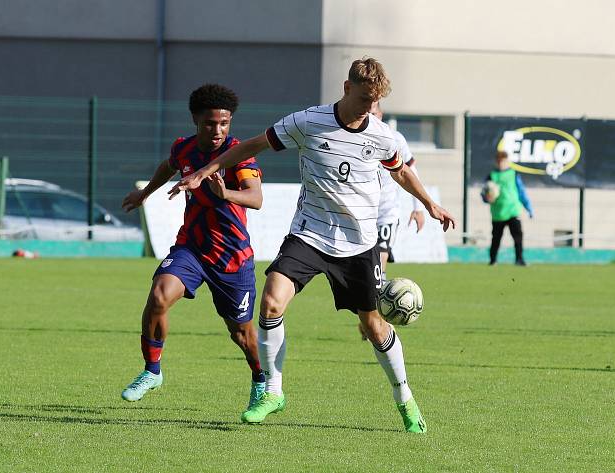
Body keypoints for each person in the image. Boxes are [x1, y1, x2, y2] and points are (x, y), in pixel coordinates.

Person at [169, 58, 456, 433]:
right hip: (310, 234)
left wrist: (430, 203)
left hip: (359, 243)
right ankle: (273, 391)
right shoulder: (307, 121)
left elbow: (400, 170)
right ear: (346, 87)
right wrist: (206, 171)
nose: (369, 108)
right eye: (364, 98)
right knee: (271, 300)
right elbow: (255, 144)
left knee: (373, 325)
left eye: (375, 102)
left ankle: (405, 398)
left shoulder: (383, 136)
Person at [119, 84, 266, 410]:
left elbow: (255, 198)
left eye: (224, 123)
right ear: (195, 120)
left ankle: (260, 380)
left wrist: (224, 194)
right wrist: (145, 194)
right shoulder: (184, 148)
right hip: (192, 248)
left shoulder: (239, 154)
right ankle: (152, 370)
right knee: (158, 296)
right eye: (210, 123)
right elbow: (168, 165)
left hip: (232, 257)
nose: (217, 130)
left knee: (242, 334)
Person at [371, 103, 426, 280]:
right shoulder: (353, 138)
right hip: (361, 210)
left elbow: (409, 170)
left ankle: (380, 287)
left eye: (373, 112)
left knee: (381, 252)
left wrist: (418, 207)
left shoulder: (395, 138)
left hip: (387, 210)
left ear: (380, 113)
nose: (371, 117)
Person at [482, 150, 533, 266]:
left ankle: (519, 259)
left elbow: (521, 192)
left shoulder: (513, 174)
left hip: (513, 211)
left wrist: (528, 207)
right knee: (496, 238)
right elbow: (484, 193)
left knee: (518, 236)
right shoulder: (492, 176)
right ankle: (493, 260)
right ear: (496, 162)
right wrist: (486, 198)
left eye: (503, 161)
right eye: (499, 161)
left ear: (507, 161)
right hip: (498, 213)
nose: (501, 163)